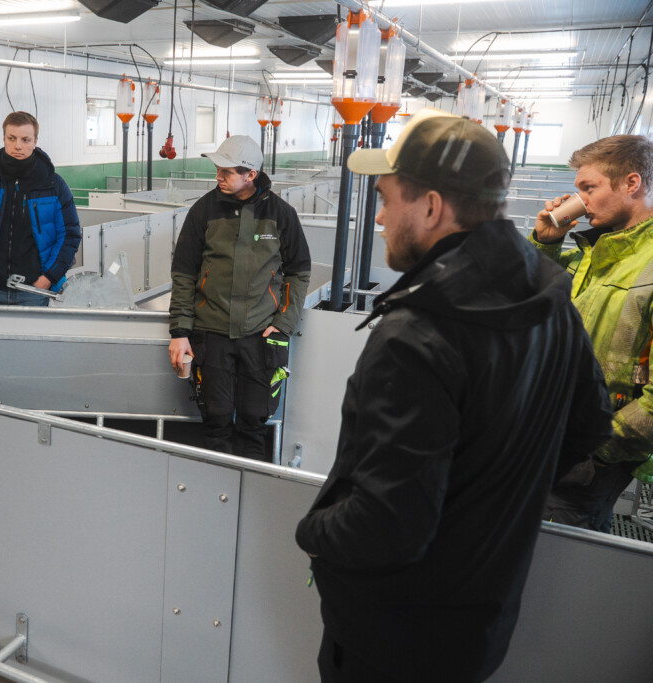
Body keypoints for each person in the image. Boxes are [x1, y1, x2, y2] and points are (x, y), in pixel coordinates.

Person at [294, 109, 613, 683]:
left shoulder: (417, 335)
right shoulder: (549, 299)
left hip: (390, 640)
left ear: (432, 207)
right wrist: (491, 500)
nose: (380, 217)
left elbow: (386, 525)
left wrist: (311, 533)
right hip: (479, 625)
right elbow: (592, 426)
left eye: (387, 199)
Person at [531, 135, 653, 532]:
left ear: (631, 183)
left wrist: (590, 452)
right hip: (550, 434)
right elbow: (525, 300)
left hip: (588, 456)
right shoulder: (595, 251)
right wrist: (546, 244)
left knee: (555, 549)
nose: (580, 201)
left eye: (589, 188)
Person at [167, 135, 311, 461]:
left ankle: (249, 485)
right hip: (212, 333)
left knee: (253, 423)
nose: (218, 176)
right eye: (218, 169)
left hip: (261, 337)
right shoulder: (203, 211)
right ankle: (217, 487)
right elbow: (184, 273)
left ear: (251, 175)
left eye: (227, 171)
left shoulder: (282, 215)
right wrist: (180, 331)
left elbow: (299, 272)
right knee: (215, 422)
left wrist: (283, 324)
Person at [0, 111, 81, 306]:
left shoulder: (53, 185)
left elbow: (69, 235)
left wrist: (48, 277)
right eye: (12, 138)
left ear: (35, 142)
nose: (18, 146)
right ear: (4, 139)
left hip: (35, 290)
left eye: (25, 140)